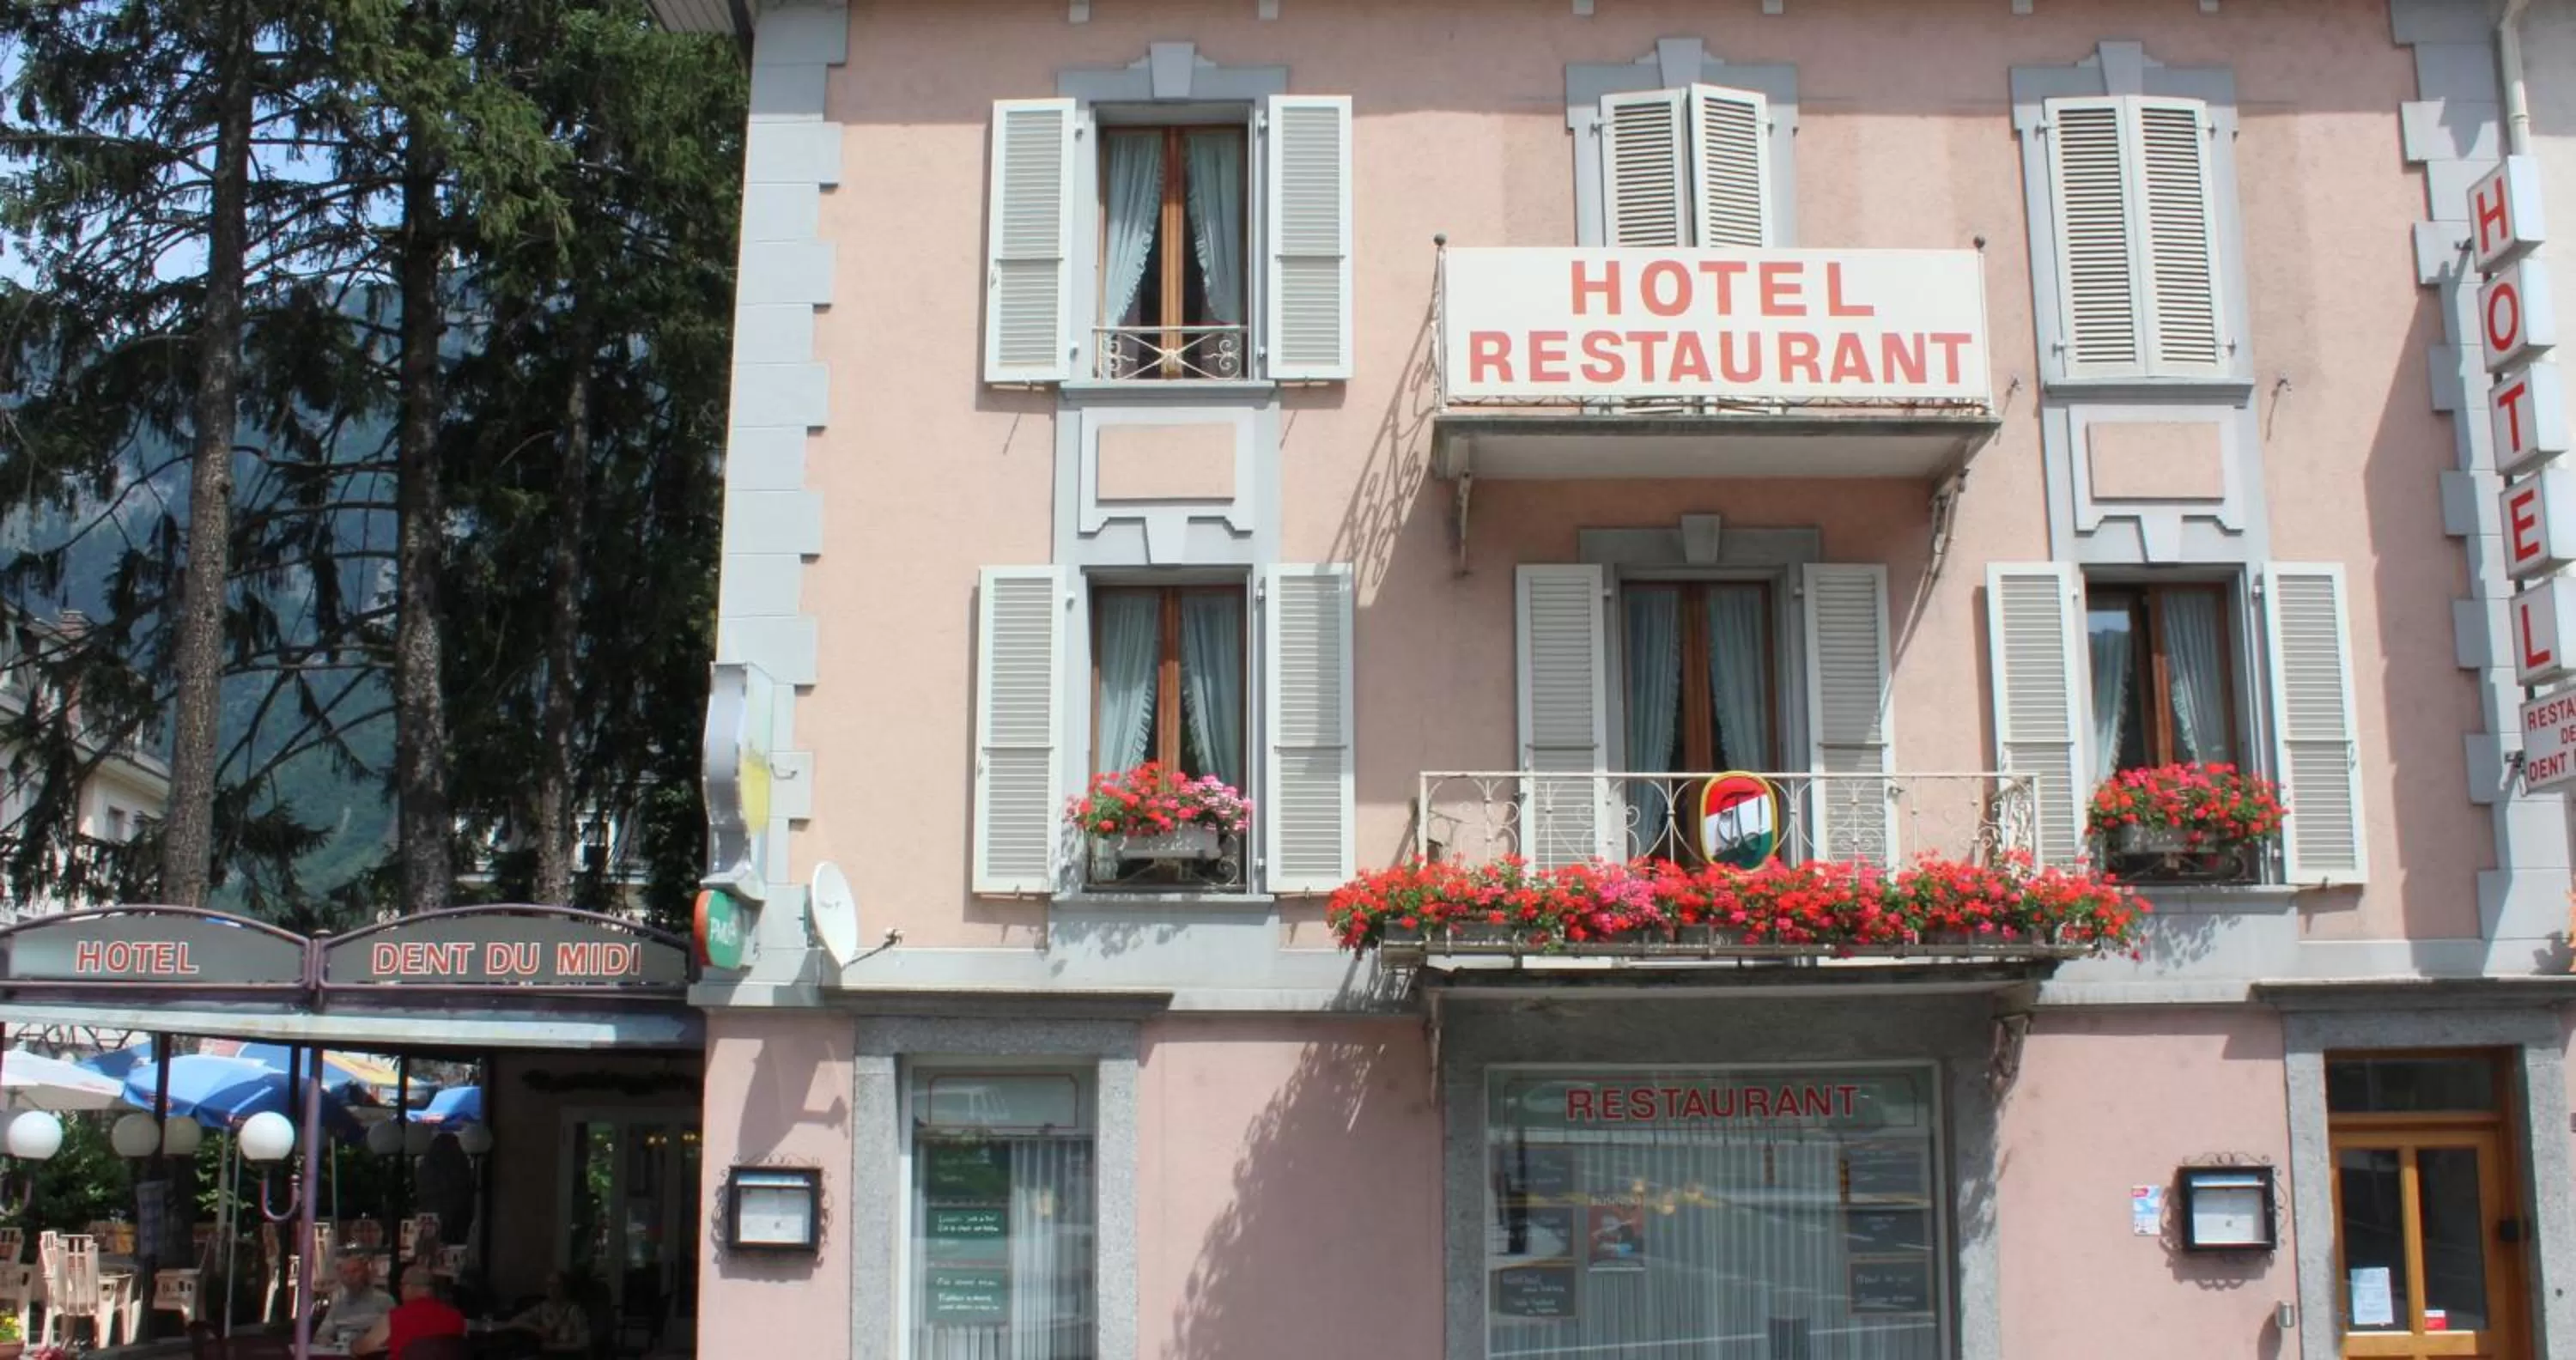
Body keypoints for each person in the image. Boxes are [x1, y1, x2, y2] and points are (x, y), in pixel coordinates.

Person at [355, 1265, 467, 1360]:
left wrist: (354, 1345)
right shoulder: (457, 1316)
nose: (400, 1290)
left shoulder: (394, 1317)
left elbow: (363, 1349)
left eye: (402, 1285)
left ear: (409, 1287)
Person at [500, 1272, 591, 1357]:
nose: (552, 1289)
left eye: (557, 1285)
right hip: (547, 1356)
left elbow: (585, 1343)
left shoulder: (575, 1311)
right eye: (549, 1285)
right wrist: (537, 1329)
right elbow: (514, 1322)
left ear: (565, 1288)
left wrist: (554, 1347)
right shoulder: (542, 1308)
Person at [319, 1254, 394, 1348]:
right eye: (345, 1273)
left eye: (355, 1271)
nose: (350, 1277)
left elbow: (397, 1334)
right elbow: (321, 1335)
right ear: (341, 1279)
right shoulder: (337, 1306)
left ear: (366, 1273)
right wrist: (325, 1341)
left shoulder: (384, 1301)